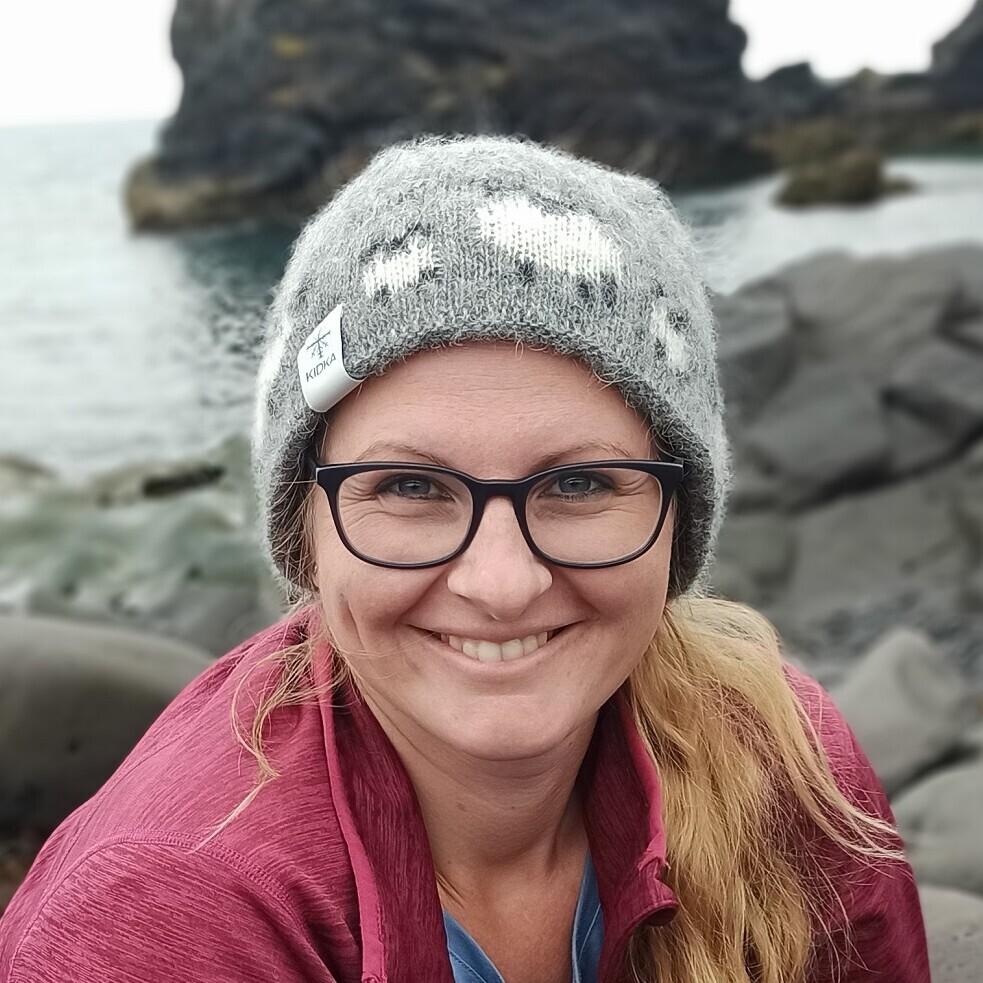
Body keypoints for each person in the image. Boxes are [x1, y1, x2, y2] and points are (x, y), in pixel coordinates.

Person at [0, 136, 929, 983]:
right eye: (409, 486)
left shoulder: (781, 763)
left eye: (578, 484)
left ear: (676, 520)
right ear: (305, 534)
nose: (501, 583)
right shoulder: (166, 921)